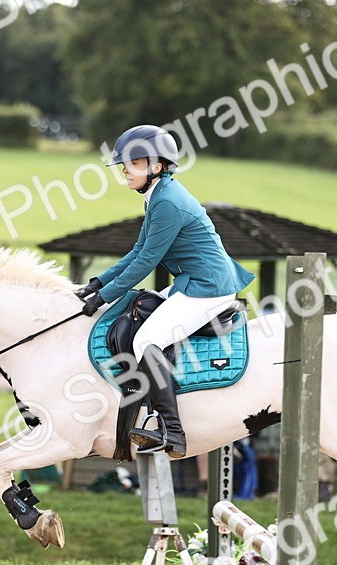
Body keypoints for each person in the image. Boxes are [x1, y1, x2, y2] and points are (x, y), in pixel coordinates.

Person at [76, 124, 254, 459]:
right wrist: (98, 283)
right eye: (124, 164)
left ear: (156, 166)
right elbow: (138, 249)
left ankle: (173, 432)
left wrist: (106, 296)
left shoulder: (168, 202)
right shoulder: (159, 195)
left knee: (147, 340)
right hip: (194, 281)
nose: (125, 170)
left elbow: (146, 260)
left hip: (207, 288)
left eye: (133, 163)